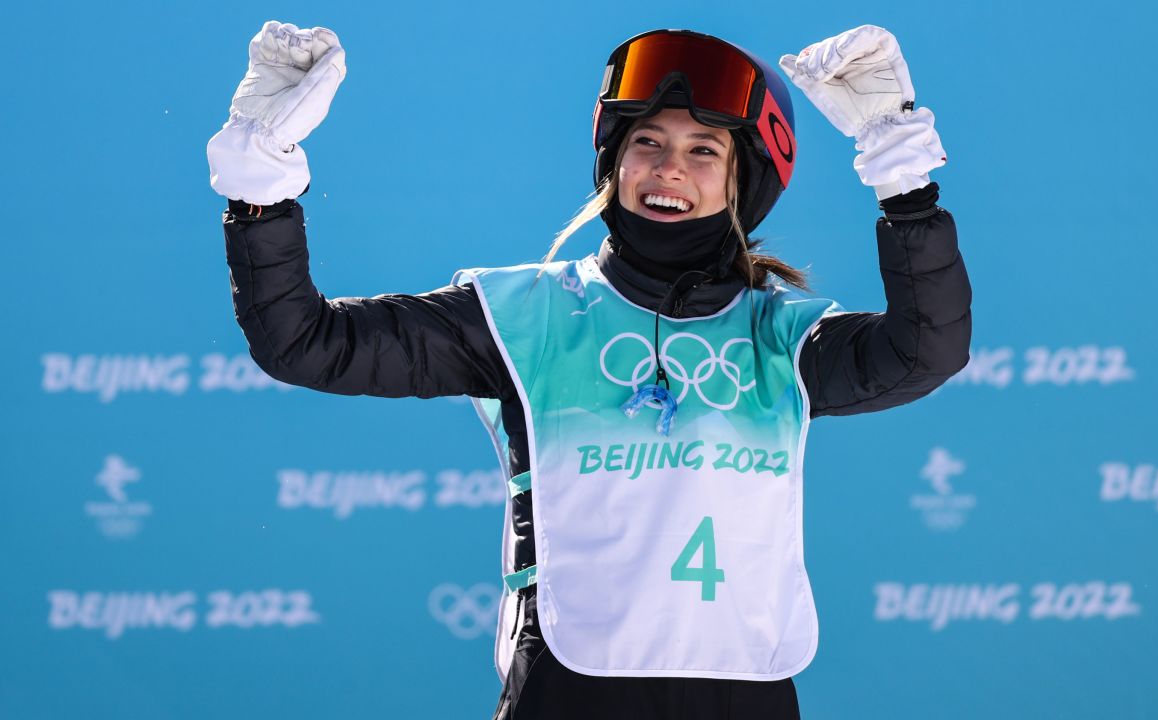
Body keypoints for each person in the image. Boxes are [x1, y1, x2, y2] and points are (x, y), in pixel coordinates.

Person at [208, 21, 971, 720]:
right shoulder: (519, 317)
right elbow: (304, 340)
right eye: (649, 143)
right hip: (568, 693)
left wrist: (905, 187)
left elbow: (923, 351)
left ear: (744, 181)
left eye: (704, 150)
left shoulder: (782, 337)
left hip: (746, 696)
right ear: (614, 162)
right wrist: (261, 190)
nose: (670, 168)